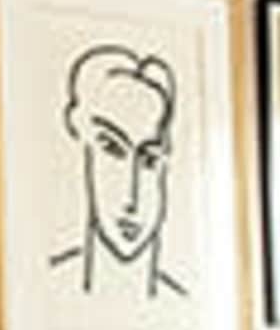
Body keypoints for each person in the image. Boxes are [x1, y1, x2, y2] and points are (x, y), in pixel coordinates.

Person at [56, 42, 184, 299]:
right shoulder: (51, 283)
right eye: (112, 149)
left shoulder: (184, 300)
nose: (131, 198)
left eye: (149, 160)